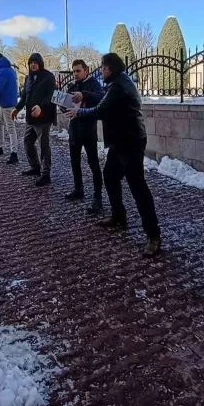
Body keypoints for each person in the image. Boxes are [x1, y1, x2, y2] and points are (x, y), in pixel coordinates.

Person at [65, 53, 161, 257]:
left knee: (138, 187)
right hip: (121, 140)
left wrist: (78, 112)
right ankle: (119, 216)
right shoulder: (118, 81)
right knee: (110, 176)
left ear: (110, 68)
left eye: (103, 67)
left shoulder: (118, 85)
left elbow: (101, 109)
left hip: (130, 141)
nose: (101, 70)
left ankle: (153, 235)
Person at [64, 59, 104, 214]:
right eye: (73, 71)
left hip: (88, 130)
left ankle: (97, 197)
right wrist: (63, 106)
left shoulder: (94, 83)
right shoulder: (71, 86)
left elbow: (101, 98)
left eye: (78, 71)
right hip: (74, 130)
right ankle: (78, 189)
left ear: (86, 71)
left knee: (93, 164)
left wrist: (84, 95)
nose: (75, 74)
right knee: (74, 162)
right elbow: (65, 105)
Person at [12, 53, 56, 186]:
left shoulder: (48, 77)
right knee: (28, 142)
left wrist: (41, 106)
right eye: (31, 62)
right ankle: (35, 167)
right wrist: (17, 108)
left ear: (40, 63)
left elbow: (51, 95)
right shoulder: (28, 78)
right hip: (31, 117)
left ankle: (45, 174)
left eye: (36, 62)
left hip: (44, 117)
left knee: (44, 145)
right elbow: (25, 96)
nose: (33, 64)